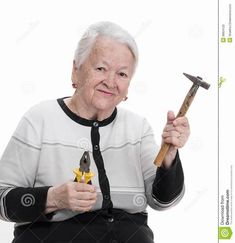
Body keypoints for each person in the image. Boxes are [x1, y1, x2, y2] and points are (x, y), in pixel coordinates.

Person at [0, 21, 190, 243]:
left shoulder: (137, 128)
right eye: (101, 68)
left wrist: (169, 156)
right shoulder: (39, 119)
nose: (110, 82)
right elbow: (2, 201)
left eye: (122, 74)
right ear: (76, 70)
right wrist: (53, 198)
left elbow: (162, 201)